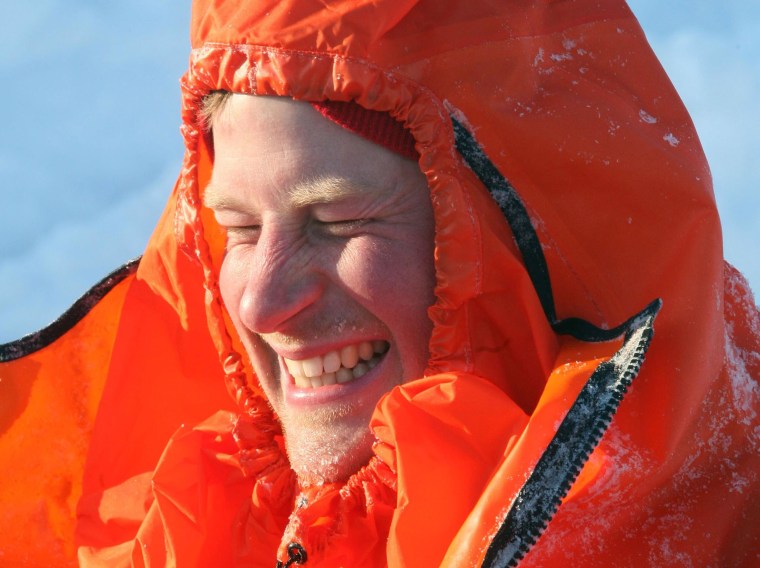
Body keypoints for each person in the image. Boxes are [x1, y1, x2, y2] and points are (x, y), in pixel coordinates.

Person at [1, 0, 758, 566]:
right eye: (237, 228)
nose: (263, 303)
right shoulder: (155, 523)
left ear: (519, 248)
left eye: (335, 221)